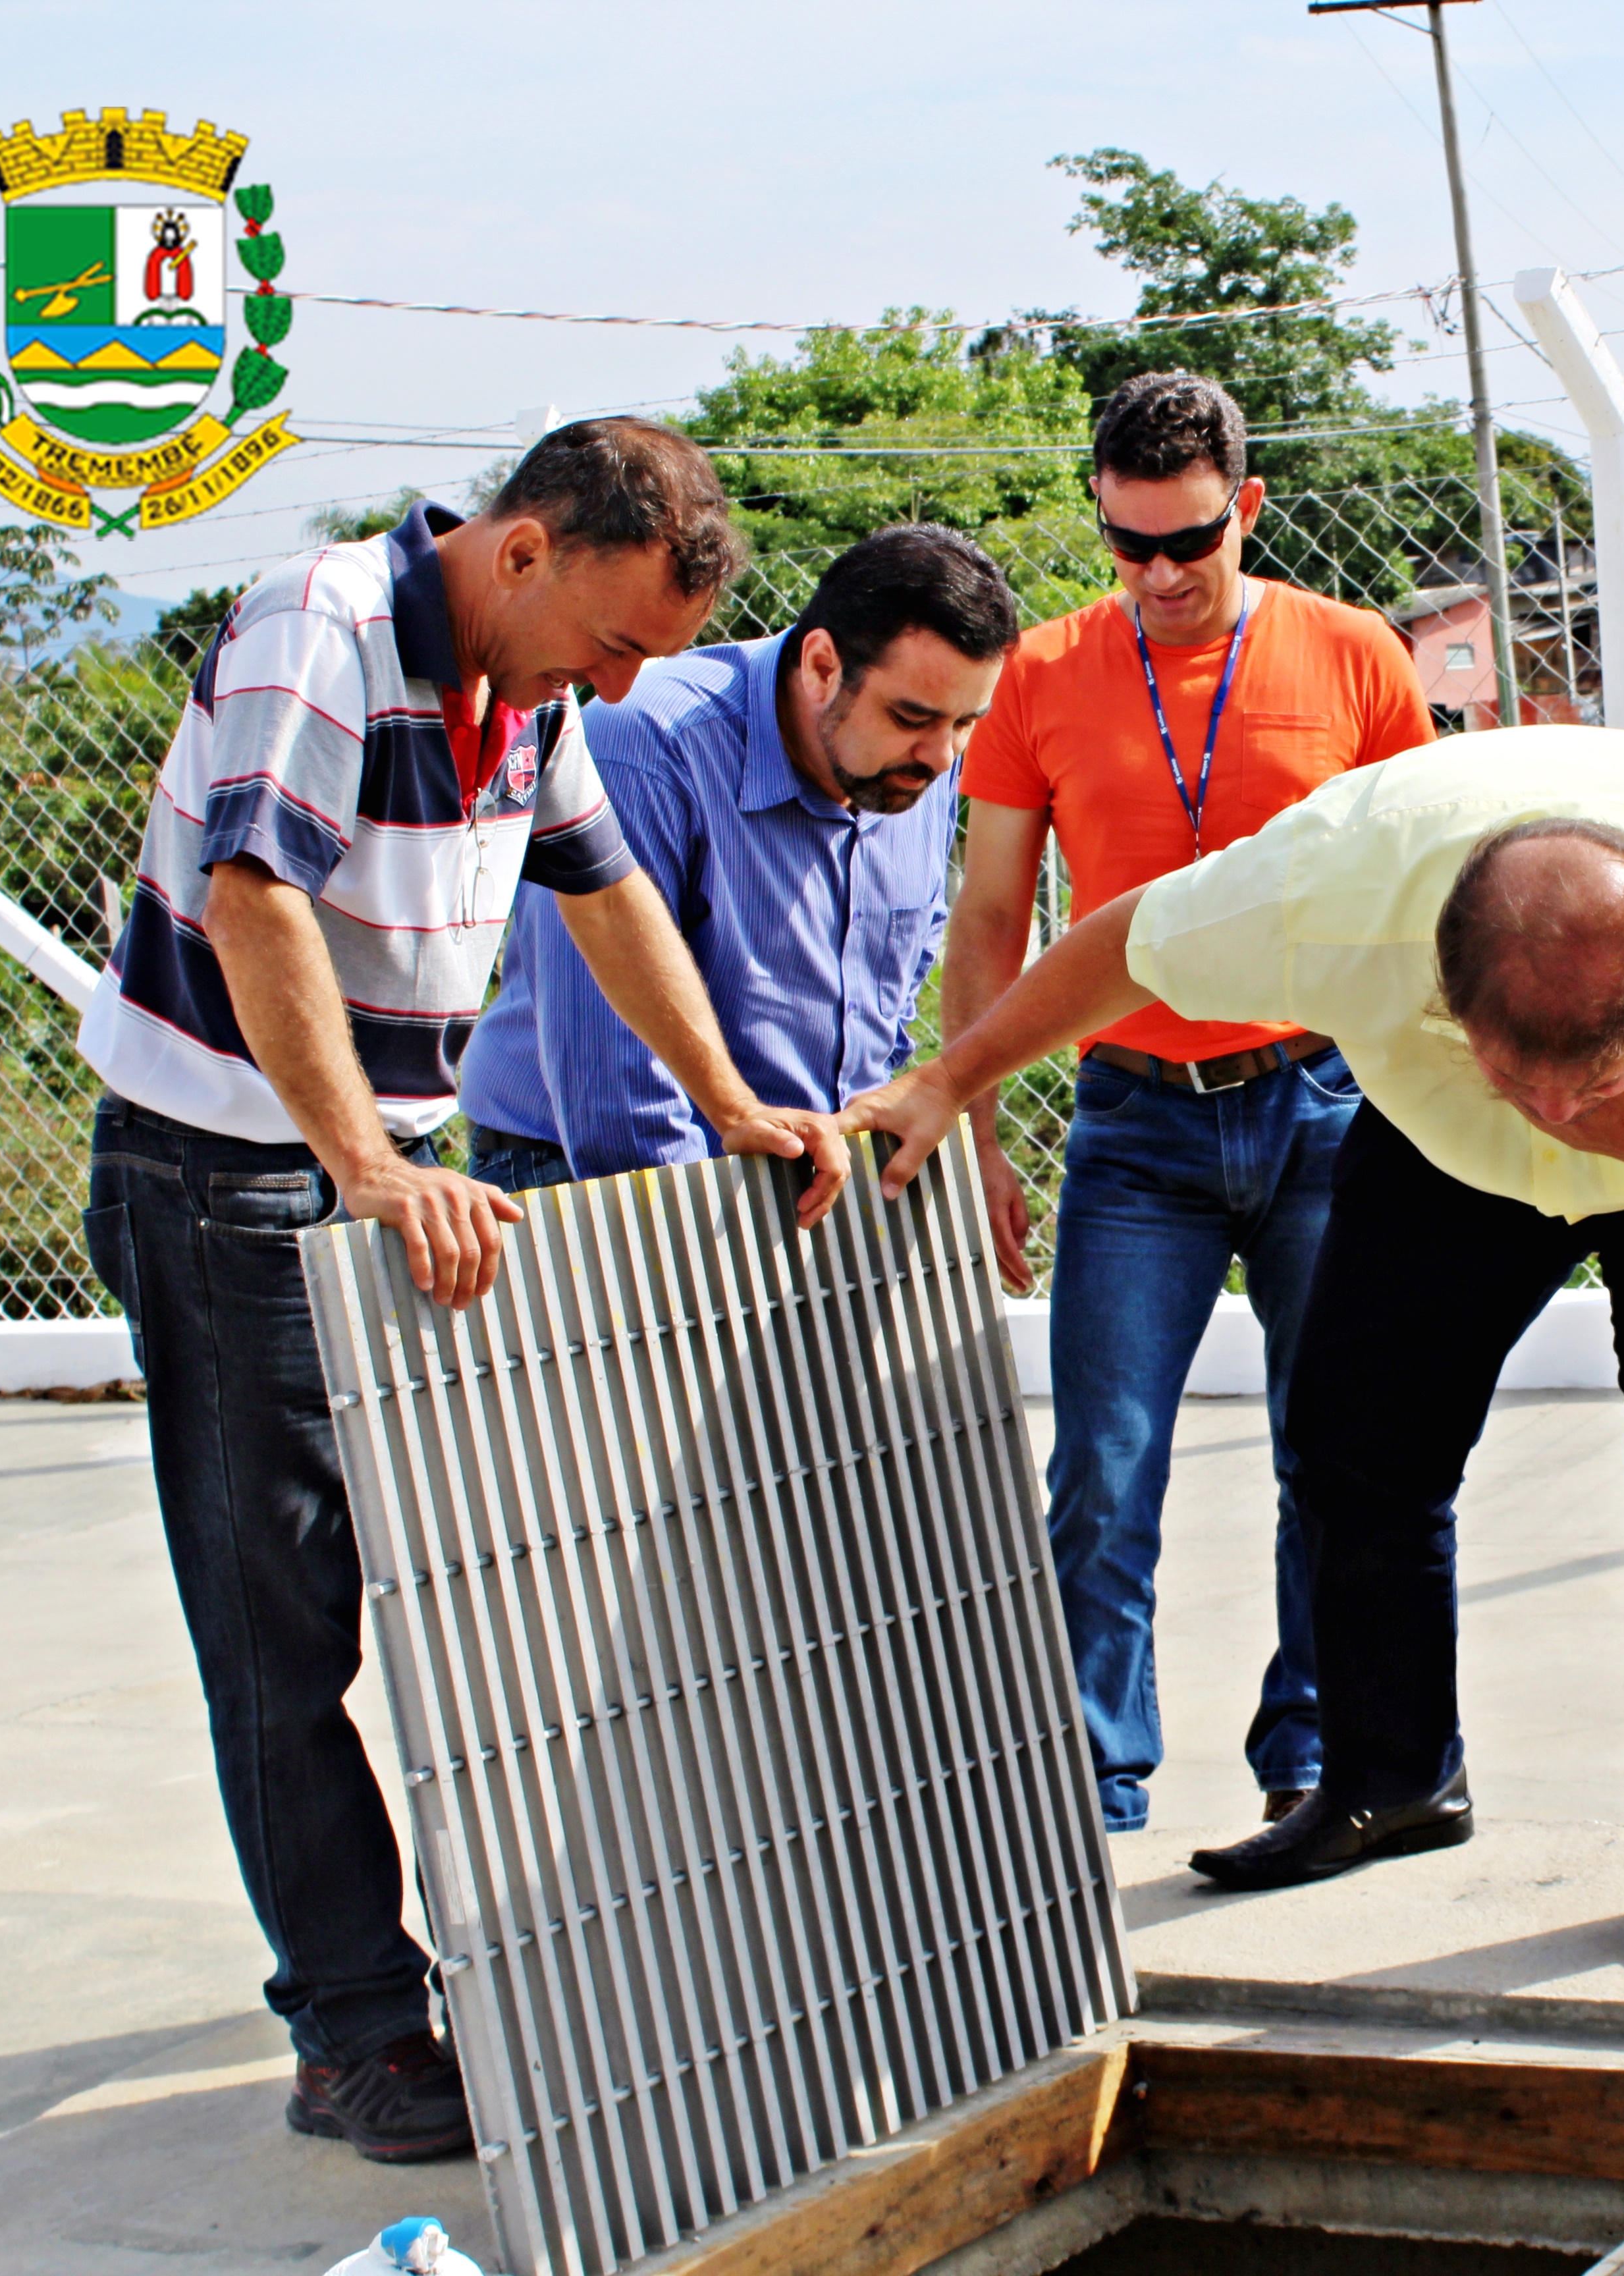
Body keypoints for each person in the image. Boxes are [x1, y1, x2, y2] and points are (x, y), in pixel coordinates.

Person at [844, 726, 1624, 1980]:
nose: (1553, 1118)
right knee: (1351, 1436)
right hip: (1447, 1151)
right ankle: (1389, 1776)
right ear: (1445, 991)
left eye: (1582, 1086)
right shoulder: (1332, 890)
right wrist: (948, 1079)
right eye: (1517, 1077)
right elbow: (1121, 944)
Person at [78, 420, 850, 2164]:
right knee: (281, 1628)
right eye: (616, 641)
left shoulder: (539, 685)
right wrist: (361, 1167)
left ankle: (461, 1978)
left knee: (451, 1581)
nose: (627, 679)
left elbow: (607, 893)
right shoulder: (326, 630)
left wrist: (731, 1107)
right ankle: (352, 2031)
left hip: (393, 1178)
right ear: (521, 552)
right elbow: (254, 897)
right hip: (232, 1180)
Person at [944, 371, 1431, 1835]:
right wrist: (980, 1132)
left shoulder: (1355, 659)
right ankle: (1094, 1768)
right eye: (1128, 547)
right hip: (1133, 1121)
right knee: (1101, 1459)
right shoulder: (1039, 675)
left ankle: (1312, 1751)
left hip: (1322, 1107)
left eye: (1191, 543)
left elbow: (1423, 891)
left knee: (1329, 1450)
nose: (1159, 576)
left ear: (1249, 510)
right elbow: (987, 920)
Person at [456, 524, 1019, 1191]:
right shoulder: (649, 745)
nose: (942, 755)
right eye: (911, 718)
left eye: (965, 723)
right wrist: (695, 1250)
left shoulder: (915, 764)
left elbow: (897, 984)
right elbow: (611, 1080)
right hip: (597, 1174)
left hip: (809, 1167)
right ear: (821, 667)